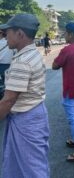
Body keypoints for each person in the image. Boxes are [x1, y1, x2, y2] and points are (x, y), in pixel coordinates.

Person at [0, 14, 49, 177]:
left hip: (25, 120)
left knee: (31, 169)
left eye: (7, 32)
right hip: (34, 113)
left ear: (20, 34)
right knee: (25, 165)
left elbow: (8, 100)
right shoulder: (31, 53)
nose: (5, 35)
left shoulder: (22, 62)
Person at [52, 22, 74, 162]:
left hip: (70, 88)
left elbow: (55, 66)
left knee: (73, 118)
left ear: (71, 34)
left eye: (65, 33)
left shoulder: (67, 50)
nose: (64, 35)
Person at [0, 29, 14, 99]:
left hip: (5, 66)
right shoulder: (10, 42)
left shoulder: (7, 42)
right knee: (7, 85)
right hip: (9, 66)